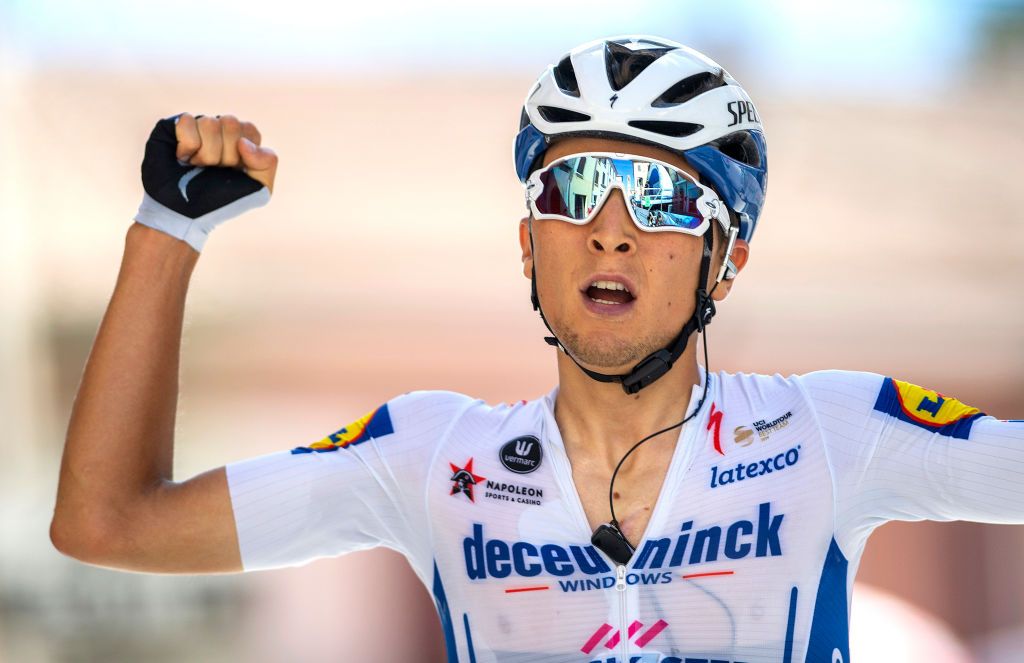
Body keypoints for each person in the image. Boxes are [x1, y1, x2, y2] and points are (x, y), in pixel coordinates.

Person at [50, 35, 1024, 663]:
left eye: (660, 199)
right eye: (573, 190)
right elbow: (106, 525)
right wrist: (166, 235)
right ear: (529, 245)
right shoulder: (431, 459)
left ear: (724, 263)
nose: (610, 229)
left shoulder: (831, 433)